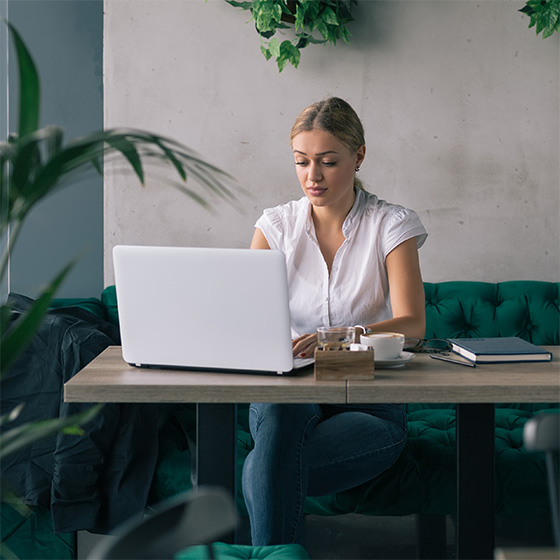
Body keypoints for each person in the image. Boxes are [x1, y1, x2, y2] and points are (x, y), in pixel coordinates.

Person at [242, 97, 427, 546]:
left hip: (368, 398)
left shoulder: (391, 224)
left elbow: (414, 326)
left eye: (327, 162)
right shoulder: (275, 225)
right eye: (301, 162)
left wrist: (336, 339)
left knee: (262, 465)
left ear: (358, 156)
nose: (313, 176)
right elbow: (243, 315)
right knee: (281, 427)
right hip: (286, 392)